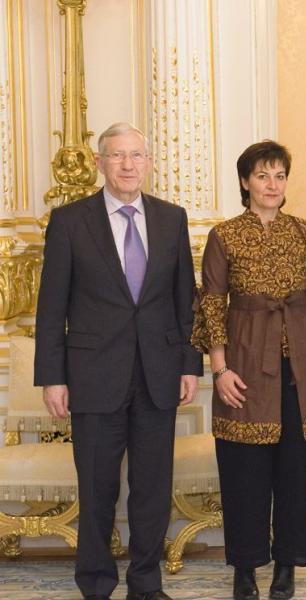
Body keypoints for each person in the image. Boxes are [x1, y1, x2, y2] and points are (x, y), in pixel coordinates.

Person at [34, 122, 202, 600]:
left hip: (158, 374)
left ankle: (146, 584)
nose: (128, 165)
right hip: (92, 376)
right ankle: (95, 584)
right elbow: (52, 306)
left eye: (136, 155)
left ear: (148, 162)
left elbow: (184, 301)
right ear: (99, 162)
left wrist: (189, 364)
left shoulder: (172, 218)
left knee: (152, 489)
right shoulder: (70, 221)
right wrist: (53, 378)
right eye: (117, 155)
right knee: (97, 489)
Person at [191, 141, 306, 600]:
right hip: (246, 362)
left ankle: (287, 564)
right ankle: (246, 567)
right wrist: (219, 368)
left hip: (300, 366)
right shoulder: (225, 235)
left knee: (298, 471)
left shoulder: (301, 231)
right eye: (262, 175)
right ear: (245, 181)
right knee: (244, 473)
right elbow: (212, 302)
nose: (272, 184)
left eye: (279, 175)